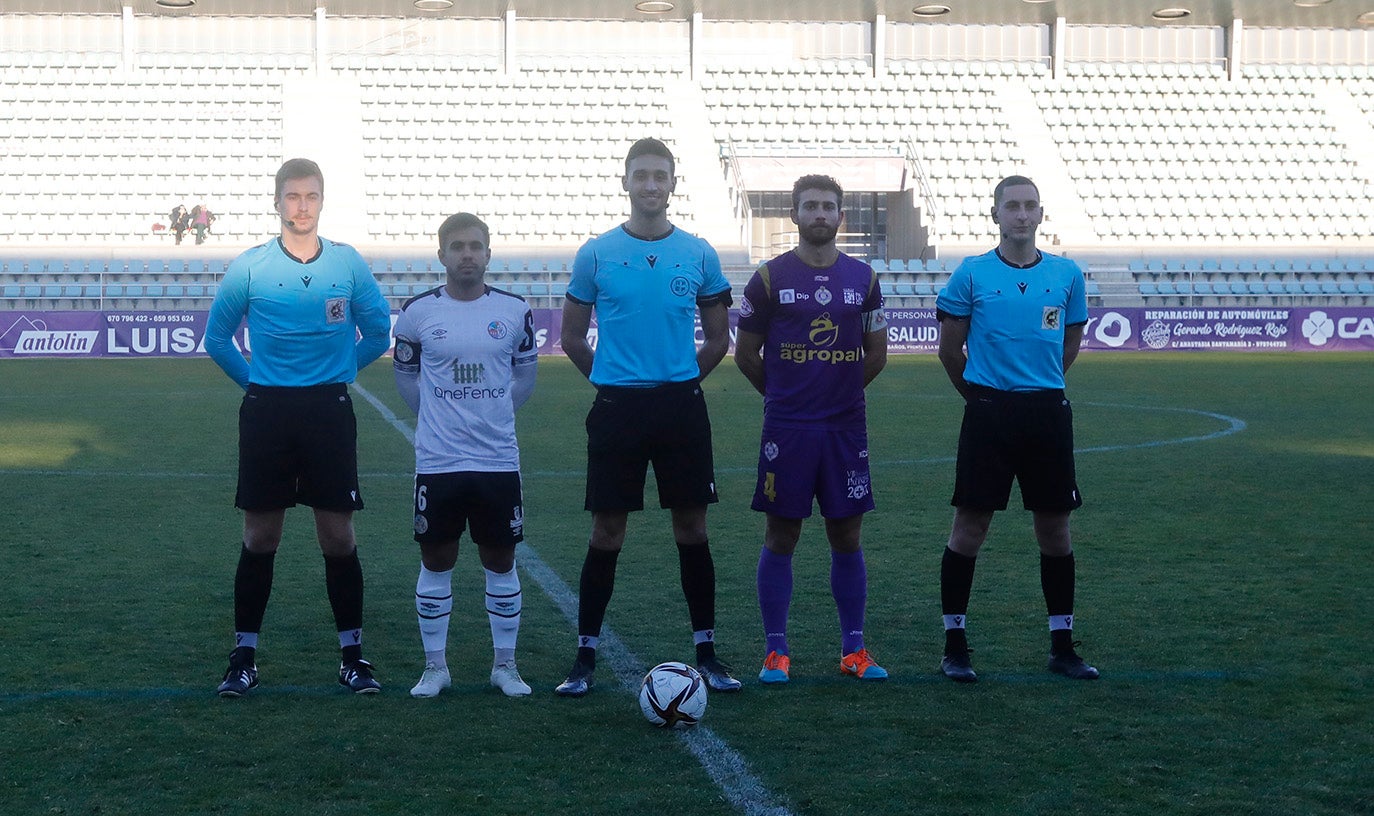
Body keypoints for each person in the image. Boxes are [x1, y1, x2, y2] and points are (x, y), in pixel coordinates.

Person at [556, 137, 741, 697]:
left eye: (661, 175)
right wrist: (614, 383)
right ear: (626, 182)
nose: (652, 185)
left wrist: (681, 382)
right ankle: (584, 657)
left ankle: (706, 651)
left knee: (692, 526)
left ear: (673, 184)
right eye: (642, 175)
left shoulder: (699, 253)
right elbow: (569, 336)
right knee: (607, 529)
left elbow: (717, 338)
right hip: (617, 409)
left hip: (680, 407)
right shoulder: (597, 253)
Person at [204, 158, 392, 697]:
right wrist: (256, 384)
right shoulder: (251, 267)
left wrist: (340, 374)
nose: (301, 206)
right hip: (267, 412)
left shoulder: (347, 264)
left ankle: (353, 657)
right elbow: (217, 338)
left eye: (310, 196)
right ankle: (243, 656)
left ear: (322, 201)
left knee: (338, 536)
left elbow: (378, 332)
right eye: (292, 196)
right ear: (277, 201)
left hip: (328, 412)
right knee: (261, 537)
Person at [934, 175, 1099, 683]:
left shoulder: (1067, 274)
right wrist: (983, 400)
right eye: (1012, 206)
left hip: (1047, 414)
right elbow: (949, 349)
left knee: (1055, 529)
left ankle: (1062, 647)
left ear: (1041, 214)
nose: (1021, 215)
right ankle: (955, 646)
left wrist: (1039, 387)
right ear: (996, 215)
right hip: (989, 415)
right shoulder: (972, 272)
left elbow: (1068, 345)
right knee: (970, 528)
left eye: (1030, 206)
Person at [734, 175, 889, 685]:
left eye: (828, 207)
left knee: (846, 532)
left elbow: (876, 354)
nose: (820, 214)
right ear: (795, 216)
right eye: (810, 207)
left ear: (840, 217)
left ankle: (854, 649)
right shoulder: (769, 278)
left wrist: (838, 395)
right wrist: (785, 399)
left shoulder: (864, 280)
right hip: (789, 428)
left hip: (845, 428)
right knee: (782, 532)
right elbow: (746, 354)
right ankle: (776, 650)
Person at [392, 212, 538, 699]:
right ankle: (435, 668)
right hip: (438, 461)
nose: (467, 254)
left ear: (489, 253)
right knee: (436, 559)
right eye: (457, 247)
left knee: (501, 559)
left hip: (497, 459)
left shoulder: (516, 311)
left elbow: (524, 379)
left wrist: (492, 413)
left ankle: (506, 666)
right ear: (442, 256)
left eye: (476, 246)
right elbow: (407, 381)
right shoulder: (416, 314)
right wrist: (437, 417)